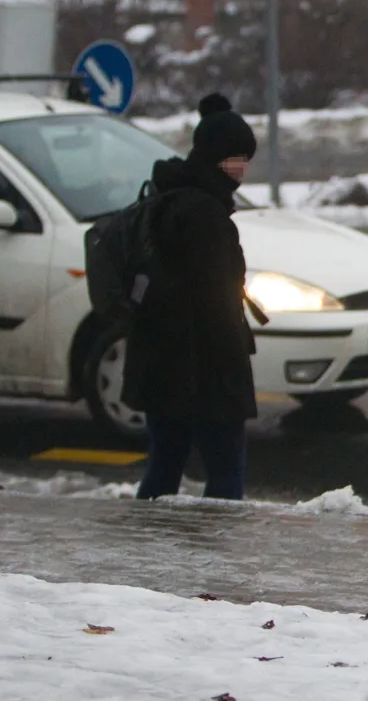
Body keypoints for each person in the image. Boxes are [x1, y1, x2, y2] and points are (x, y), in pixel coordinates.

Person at [129, 93, 259, 501]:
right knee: (226, 470)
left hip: (160, 360)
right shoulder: (206, 216)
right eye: (238, 159)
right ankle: (214, 556)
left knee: (165, 464)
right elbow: (216, 299)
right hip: (203, 369)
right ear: (217, 158)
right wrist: (233, 369)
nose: (243, 170)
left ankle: (146, 545)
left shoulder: (166, 195)